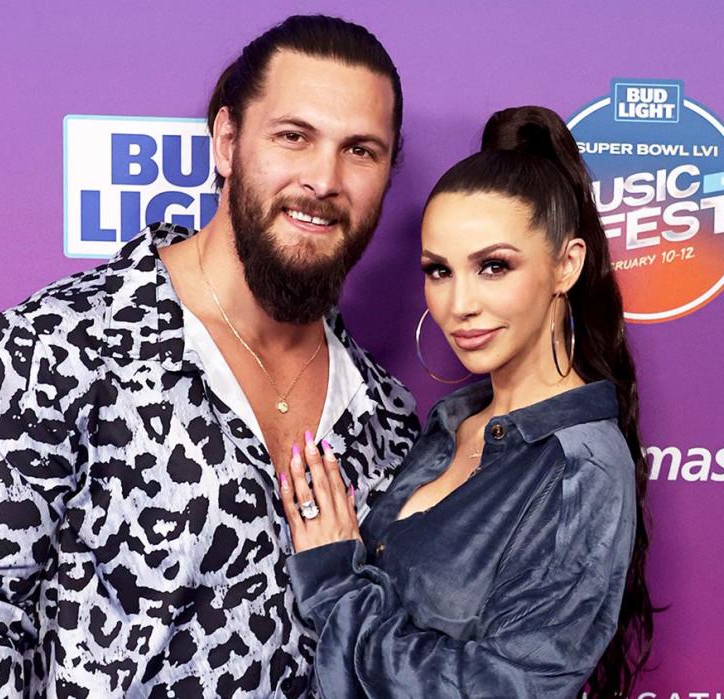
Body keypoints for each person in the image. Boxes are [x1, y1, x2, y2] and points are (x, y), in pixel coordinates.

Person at [0, 15, 421, 698]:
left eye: (360, 150)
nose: (323, 178)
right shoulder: (54, 346)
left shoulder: (387, 416)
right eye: (293, 136)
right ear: (228, 141)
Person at [278, 106, 656, 698]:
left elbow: (499, 690)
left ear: (567, 265)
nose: (459, 305)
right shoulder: (453, 423)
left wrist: (334, 583)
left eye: (493, 267)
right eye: (439, 271)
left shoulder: (581, 471)